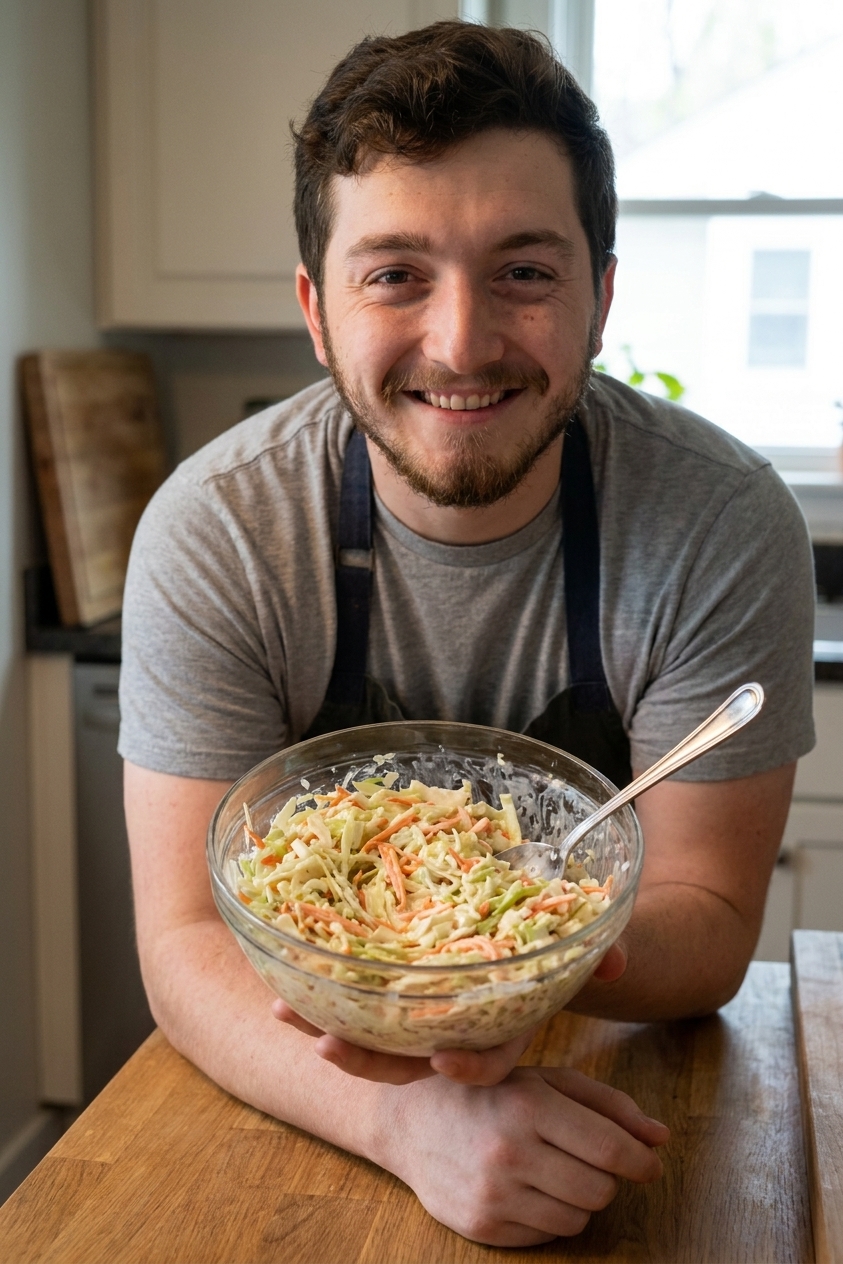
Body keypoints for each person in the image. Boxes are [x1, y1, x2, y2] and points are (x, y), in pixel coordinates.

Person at [119, 21, 815, 1247]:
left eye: (525, 272)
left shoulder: (721, 521)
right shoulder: (219, 530)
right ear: (317, 311)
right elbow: (185, 937)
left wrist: (516, 956)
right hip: (299, 1124)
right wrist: (403, 1121)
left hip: (619, 1084)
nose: (460, 342)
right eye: (395, 273)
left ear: (601, 296)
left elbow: (707, 919)